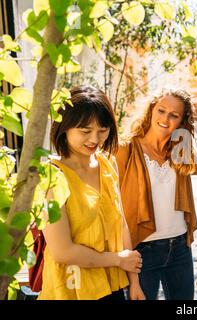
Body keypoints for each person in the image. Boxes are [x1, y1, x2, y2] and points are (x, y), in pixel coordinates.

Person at [116, 88, 197, 300]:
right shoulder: (126, 149)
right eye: (161, 110)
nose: (165, 118)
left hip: (178, 249)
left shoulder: (180, 153)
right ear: (151, 111)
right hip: (141, 250)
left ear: (181, 122)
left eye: (174, 115)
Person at [39, 85, 145, 300]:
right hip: (71, 290)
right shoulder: (51, 176)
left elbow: (121, 224)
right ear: (64, 127)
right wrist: (118, 259)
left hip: (113, 285)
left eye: (102, 130)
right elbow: (63, 251)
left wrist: (134, 282)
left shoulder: (108, 163)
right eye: (85, 131)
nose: (95, 140)